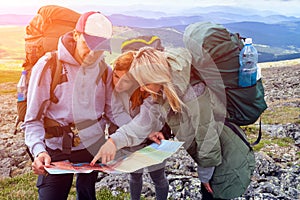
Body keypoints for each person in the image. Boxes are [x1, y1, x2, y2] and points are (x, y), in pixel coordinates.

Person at [91, 47, 224, 199]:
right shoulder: (160, 91)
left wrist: (205, 175)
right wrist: (114, 141)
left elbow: (207, 134)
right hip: (209, 157)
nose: (141, 88)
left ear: (156, 77)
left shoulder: (193, 92)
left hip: (221, 155)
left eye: (145, 83)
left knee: (207, 191)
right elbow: (144, 122)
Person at [22, 11, 113, 200]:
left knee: (87, 194)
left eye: (100, 48)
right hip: (55, 149)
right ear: (75, 35)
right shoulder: (49, 65)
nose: (94, 53)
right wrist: (39, 151)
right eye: (88, 45)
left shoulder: (105, 71)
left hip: (90, 147)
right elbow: (33, 120)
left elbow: (113, 112)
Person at [103, 51, 169, 200]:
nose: (118, 83)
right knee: (135, 175)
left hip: (153, 140)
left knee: (158, 176)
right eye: (116, 76)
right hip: (132, 140)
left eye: (125, 80)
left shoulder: (148, 91)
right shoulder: (113, 91)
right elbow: (117, 113)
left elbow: (147, 118)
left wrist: (143, 132)